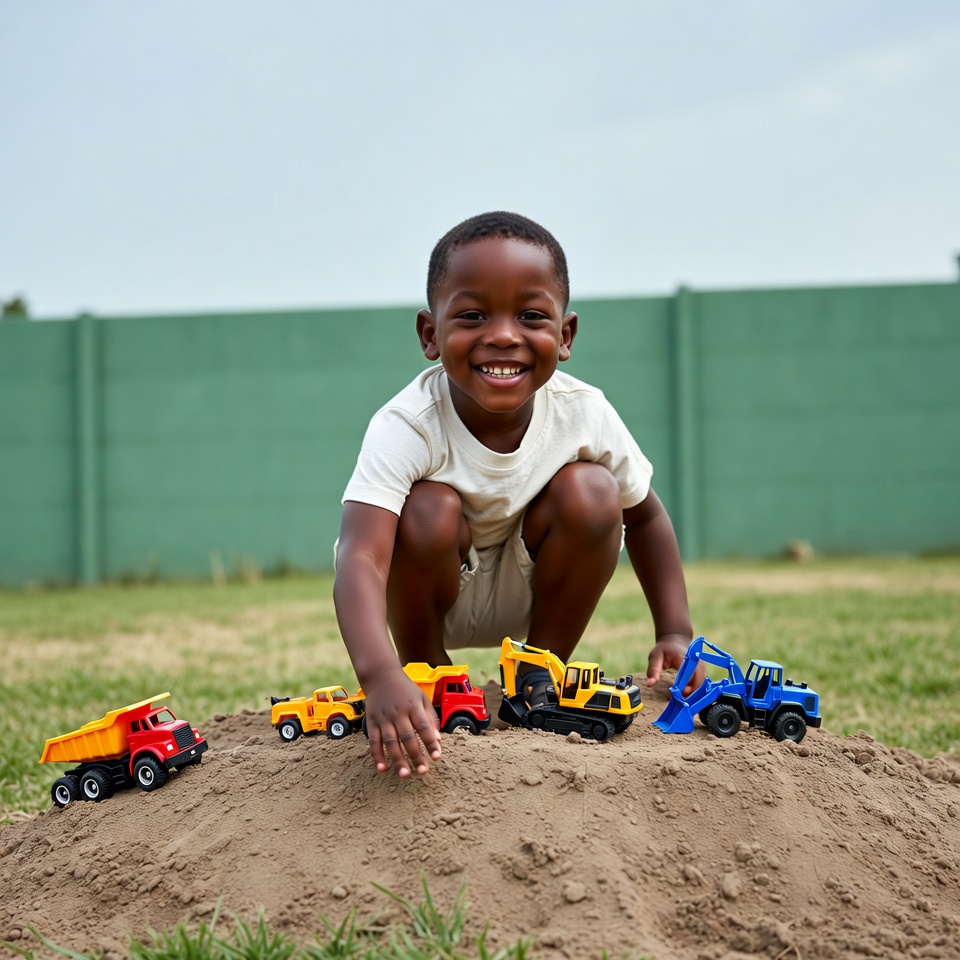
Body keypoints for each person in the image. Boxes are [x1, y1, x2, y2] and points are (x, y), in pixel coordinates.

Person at [334, 211, 703, 779]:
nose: (503, 334)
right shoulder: (406, 425)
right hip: (433, 596)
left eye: (531, 316)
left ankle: (540, 673)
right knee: (427, 507)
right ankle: (427, 674)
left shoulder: (584, 412)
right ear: (430, 335)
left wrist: (675, 630)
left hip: (537, 589)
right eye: (473, 315)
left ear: (565, 335)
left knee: (596, 491)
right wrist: (380, 673)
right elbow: (359, 555)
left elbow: (646, 518)